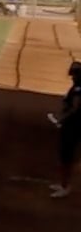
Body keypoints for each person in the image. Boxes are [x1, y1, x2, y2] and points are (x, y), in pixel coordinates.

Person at [49, 62, 81, 199]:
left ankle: (65, 186)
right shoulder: (77, 86)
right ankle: (63, 184)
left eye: (74, 75)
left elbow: (74, 108)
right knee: (65, 156)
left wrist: (60, 118)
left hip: (73, 127)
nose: (72, 77)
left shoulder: (79, 88)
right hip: (72, 125)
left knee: (66, 157)